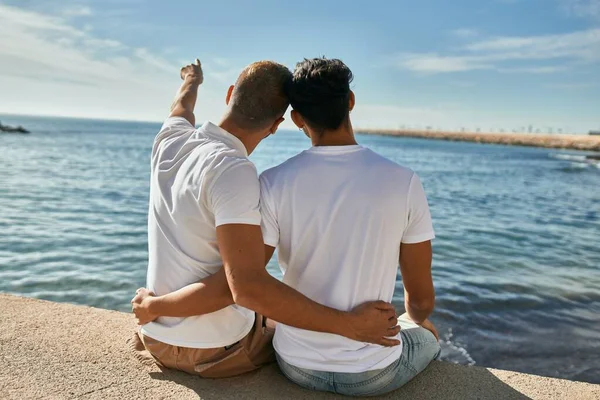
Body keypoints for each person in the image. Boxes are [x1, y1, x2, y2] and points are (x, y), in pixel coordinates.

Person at [129, 58, 401, 379]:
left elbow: (182, 106)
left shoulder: (170, 138)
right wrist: (349, 325)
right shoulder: (234, 170)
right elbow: (241, 287)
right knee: (301, 335)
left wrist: (193, 79)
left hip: (156, 337)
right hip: (213, 349)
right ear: (276, 125)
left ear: (230, 94)